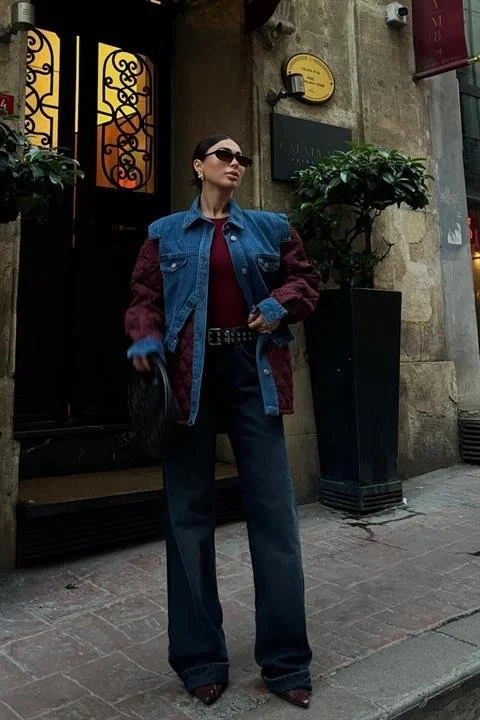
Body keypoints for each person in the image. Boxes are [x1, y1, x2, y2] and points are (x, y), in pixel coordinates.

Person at [125, 134, 320, 709]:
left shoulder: (270, 228)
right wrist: (145, 340)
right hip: (189, 375)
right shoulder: (164, 233)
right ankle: (199, 659)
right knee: (187, 516)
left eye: (242, 158)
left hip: (251, 371)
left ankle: (286, 662)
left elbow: (306, 282)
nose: (236, 164)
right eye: (224, 156)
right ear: (199, 166)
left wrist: (277, 305)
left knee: (275, 516)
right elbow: (144, 298)